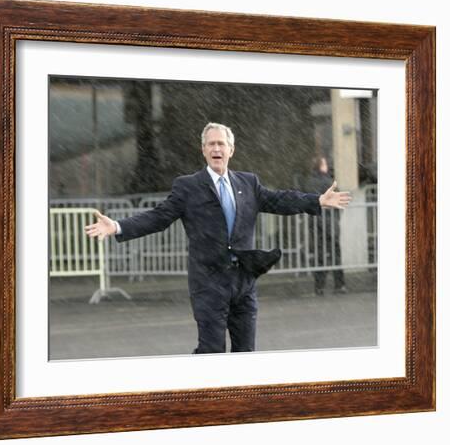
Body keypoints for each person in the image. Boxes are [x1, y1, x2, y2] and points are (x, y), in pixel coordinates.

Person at [85, 123, 351, 354]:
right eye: (211, 144)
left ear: (231, 150)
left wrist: (316, 200)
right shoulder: (188, 186)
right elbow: (159, 217)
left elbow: (280, 199)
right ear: (203, 150)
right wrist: (117, 226)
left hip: (243, 282)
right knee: (211, 352)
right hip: (208, 283)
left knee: (245, 352)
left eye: (221, 144)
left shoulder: (248, 183)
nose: (216, 149)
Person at [304, 156, 347, 296]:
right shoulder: (329, 182)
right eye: (325, 163)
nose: (327, 165)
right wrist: (336, 218)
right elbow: (339, 200)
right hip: (330, 223)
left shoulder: (309, 182)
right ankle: (339, 285)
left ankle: (319, 287)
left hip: (315, 222)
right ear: (321, 166)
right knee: (335, 253)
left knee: (319, 255)